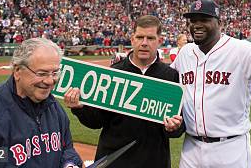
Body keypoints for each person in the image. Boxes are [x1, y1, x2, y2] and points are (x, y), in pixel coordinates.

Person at [172, 0, 251, 168]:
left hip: (230, 148)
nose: (197, 25)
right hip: (191, 148)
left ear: (219, 22)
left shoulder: (240, 50)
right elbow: (164, 77)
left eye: (204, 19)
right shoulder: (185, 53)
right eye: (193, 20)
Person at [63, 15, 184, 168]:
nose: (144, 43)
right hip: (114, 161)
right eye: (140, 37)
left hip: (154, 161)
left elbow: (179, 128)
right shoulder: (115, 73)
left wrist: (174, 127)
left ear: (160, 41)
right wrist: (79, 109)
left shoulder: (171, 76)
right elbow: (97, 121)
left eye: (150, 38)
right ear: (132, 39)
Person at [0, 38, 82, 168]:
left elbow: (66, 148)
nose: (50, 80)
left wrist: (69, 164)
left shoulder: (53, 107)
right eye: (42, 73)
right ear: (17, 71)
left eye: (55, 73)